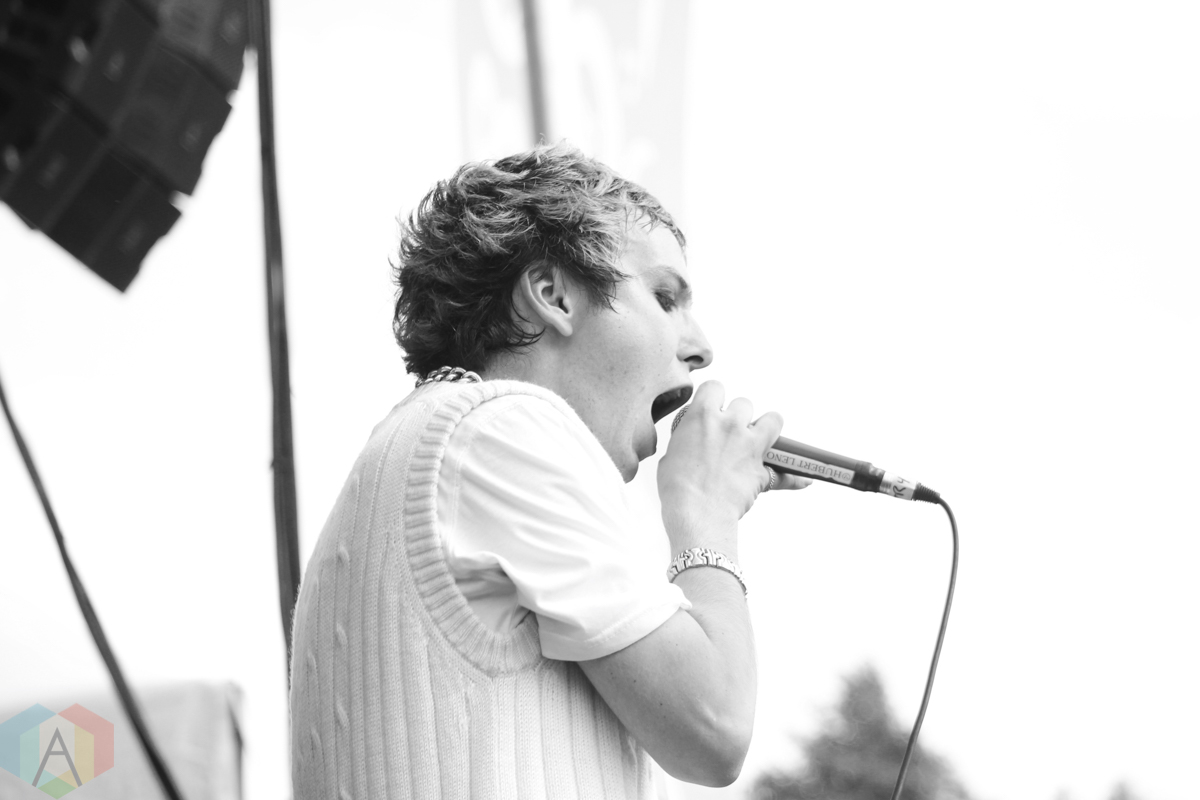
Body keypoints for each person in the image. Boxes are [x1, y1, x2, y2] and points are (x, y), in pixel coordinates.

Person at [288, 143, 806, 799]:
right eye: (664, 296)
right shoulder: (500, 428)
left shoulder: (426, 444)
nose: (701, 347)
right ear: (553, 295)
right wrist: (706, 512)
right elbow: (713, 726)